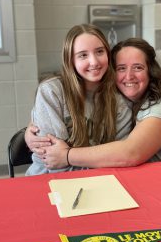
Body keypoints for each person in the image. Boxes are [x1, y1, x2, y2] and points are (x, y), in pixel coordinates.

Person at [26, 37, 161, 170]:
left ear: (151, 71)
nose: (129, 76)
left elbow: (130, 153)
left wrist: (66, 156)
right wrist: (30, 130)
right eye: (121, 68)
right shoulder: (119, 99)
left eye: (138, 67)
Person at [25, 24, 132, 175]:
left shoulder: (118, 100)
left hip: (99, 181)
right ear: (70, 60)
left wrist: (69, 156)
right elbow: (54, 160)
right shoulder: (51, 91)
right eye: (83, 55)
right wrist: (101, 159)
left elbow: (118, 157)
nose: (94, 62)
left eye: (99, 52)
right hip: (47, 181)